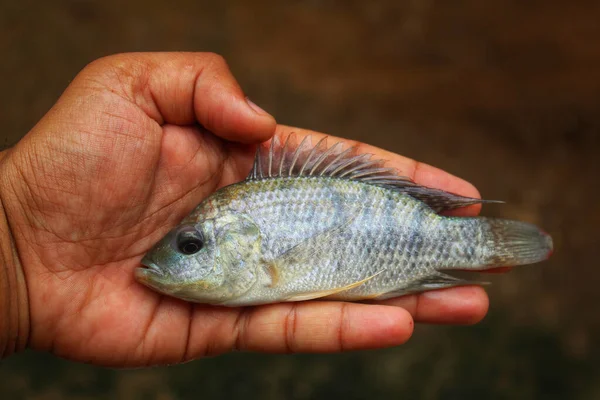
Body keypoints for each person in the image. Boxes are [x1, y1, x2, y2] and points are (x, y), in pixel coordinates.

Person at [0, 52, 491, 367]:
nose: (173, 255)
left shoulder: (247, 224)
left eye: (191, 245)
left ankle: (469, 244)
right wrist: (14, 232)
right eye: (190, 246)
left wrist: (15, 240)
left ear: (247, 244)